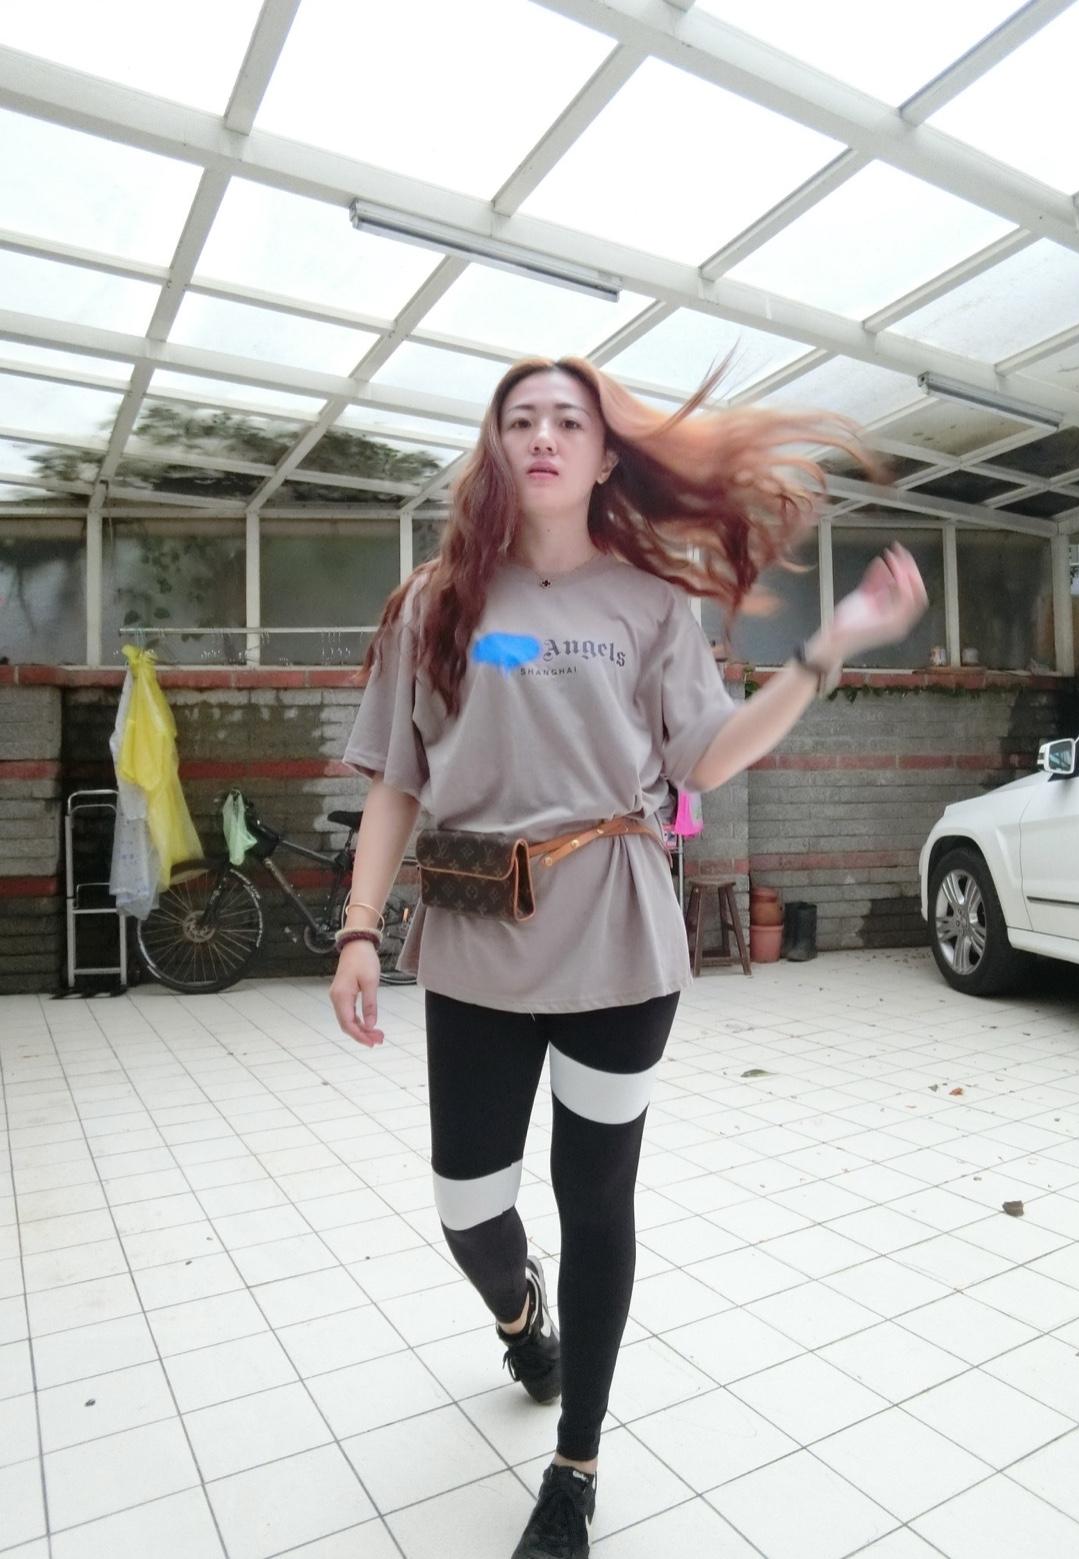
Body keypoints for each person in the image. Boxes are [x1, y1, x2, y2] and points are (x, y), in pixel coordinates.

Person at [330, 356, 927, 1559]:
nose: (542, 435)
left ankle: (576, 1463)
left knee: (596, 1195)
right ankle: (521, 1311)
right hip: (478, 938)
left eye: (568, 420)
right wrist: (357, 925)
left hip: (617, 934)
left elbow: (708, 755)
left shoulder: (649, 604)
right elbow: (396, 777)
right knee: (467, 1205)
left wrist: (832, 645)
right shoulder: (435, 601)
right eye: (519, 419)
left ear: (606, 455)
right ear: (495, 448)